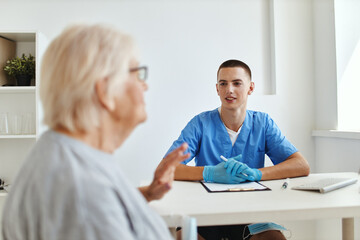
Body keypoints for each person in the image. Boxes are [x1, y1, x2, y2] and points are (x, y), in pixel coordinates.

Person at [2, 24, 190, 240]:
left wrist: (147, 193)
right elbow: (91, 210)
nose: (144, 86)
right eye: (137, 73)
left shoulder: (70, 155)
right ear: (104, 91)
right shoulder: (82, 192)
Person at [165, 59, 310, 240]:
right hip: (205, 212)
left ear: (250, 88)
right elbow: (166, 167)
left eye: (237, 83)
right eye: (223, 84)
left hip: (251, 213)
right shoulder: (200, 124)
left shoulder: (263, 123)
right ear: (217, 88)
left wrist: (257, 174)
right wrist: (209, 173)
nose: (229, 90)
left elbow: (301, 165)